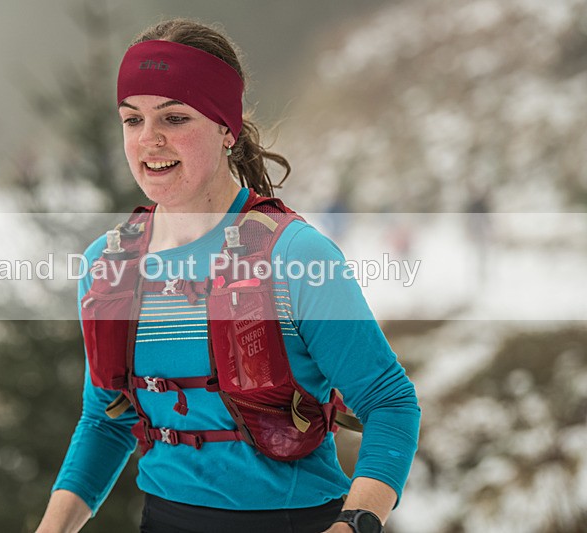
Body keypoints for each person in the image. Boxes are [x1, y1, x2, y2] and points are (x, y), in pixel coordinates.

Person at [36, 19, 420, 533]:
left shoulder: (297, 256)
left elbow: (391, 403)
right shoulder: (107, 266)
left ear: (225, 128)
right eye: (133, 120)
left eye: (173, 118)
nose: (149, 141)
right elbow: (106, 421)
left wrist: (356, 524)